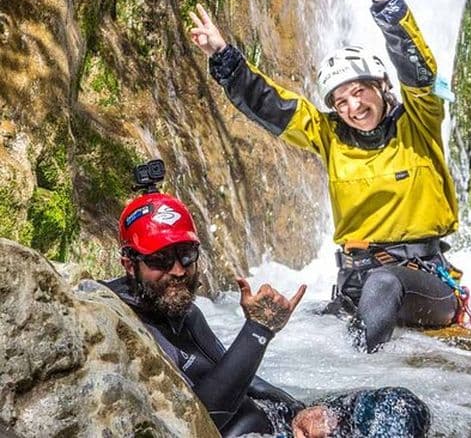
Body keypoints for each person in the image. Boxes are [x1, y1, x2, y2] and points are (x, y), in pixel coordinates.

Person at [188, 0, 471, 353]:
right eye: (341, 101)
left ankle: (359, 372)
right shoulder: (329, 135)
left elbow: (418, 70)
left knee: (384, 283)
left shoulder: (419, 121)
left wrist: (387, 5)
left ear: (380, 87)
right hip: (356, 283)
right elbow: (271, 105)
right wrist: (224, 56)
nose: (354, 107)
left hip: (421, 281)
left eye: (360, 92)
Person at [104, 177, 430, 437]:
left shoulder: (180, 308)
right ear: (129, 264)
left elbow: (245, 379)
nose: (177, 270)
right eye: (160, 259)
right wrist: (258, 330)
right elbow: (198, 420)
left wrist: (300, 410)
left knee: (400, 405)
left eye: (186, 255)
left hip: (278, 421)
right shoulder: (121, 323)